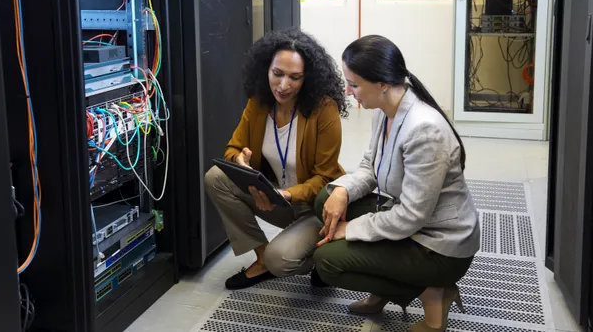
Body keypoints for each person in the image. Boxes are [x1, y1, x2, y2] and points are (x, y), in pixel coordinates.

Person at [312, 35, 481, 332]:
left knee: (327, 262)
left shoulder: (424, 129)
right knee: (325, 199)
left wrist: (349, 230)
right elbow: (369, 168)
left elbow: (411, 217)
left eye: (354, 84)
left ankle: (433, 291)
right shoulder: (385, 112)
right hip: (411, 222)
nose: (349, 92)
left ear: (382, 84)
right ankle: (385, 285)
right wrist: (342, 191)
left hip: (438, 246)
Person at [204, 28, 349, 290]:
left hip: (315, 206)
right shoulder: (259, 103)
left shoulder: (324, 109)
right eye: (277, 74)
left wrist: (288, 195)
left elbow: (325, 177)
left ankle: (322, 258)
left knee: (281, 260)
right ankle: (261, 260)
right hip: (275, 198)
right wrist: (241, 162)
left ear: (308, 79)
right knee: (216, 178)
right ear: (266, 69)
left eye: (295, 77)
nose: (283, 86)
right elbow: (232, 149)